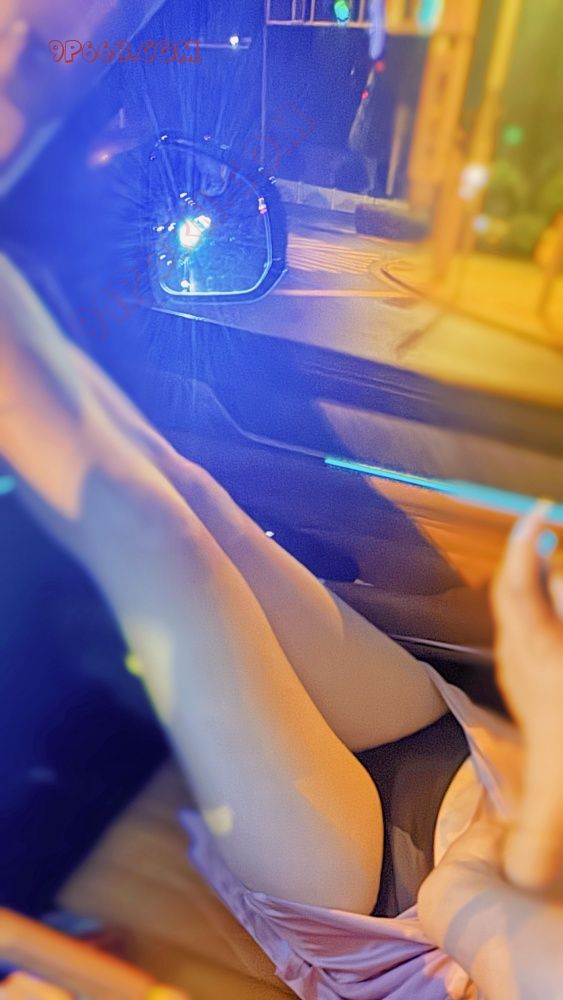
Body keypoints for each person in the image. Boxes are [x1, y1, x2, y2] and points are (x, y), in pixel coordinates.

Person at [2, 252, 563, 999]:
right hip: (468, 761)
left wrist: (548, 720)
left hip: (384, 911)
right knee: (194, 498)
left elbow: (460, 897)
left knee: (156, 541)